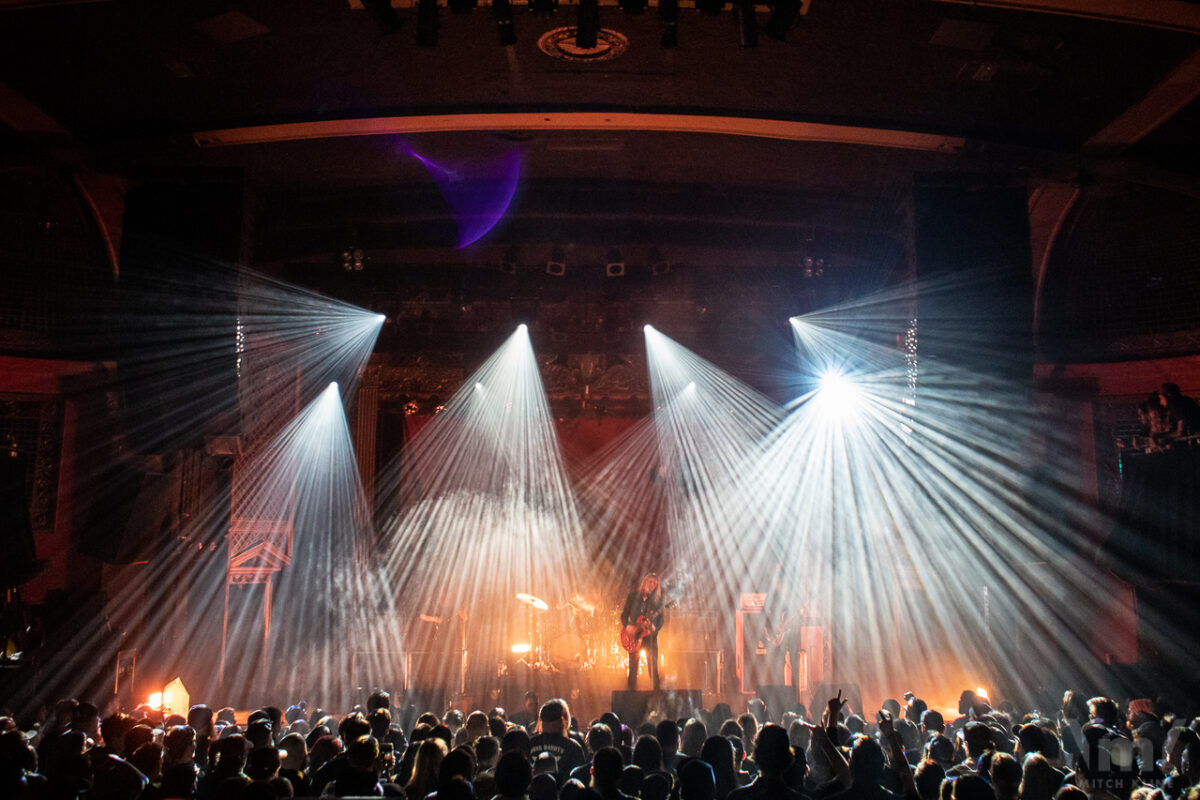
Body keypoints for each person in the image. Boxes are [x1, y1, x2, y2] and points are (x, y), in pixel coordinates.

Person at [621, 574, 666, 691]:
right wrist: (628, 626)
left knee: (653, 670)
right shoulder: (632, 597)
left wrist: (655, 627)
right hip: (634, 636)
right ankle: (630, 698)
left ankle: (657, 700)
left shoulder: (657, 601)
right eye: (650, 582)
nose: (652, 585)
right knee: (633, 669)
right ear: (644, 582)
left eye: (654, 583)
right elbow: (624, 616)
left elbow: (661, 620)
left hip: (649, 638)